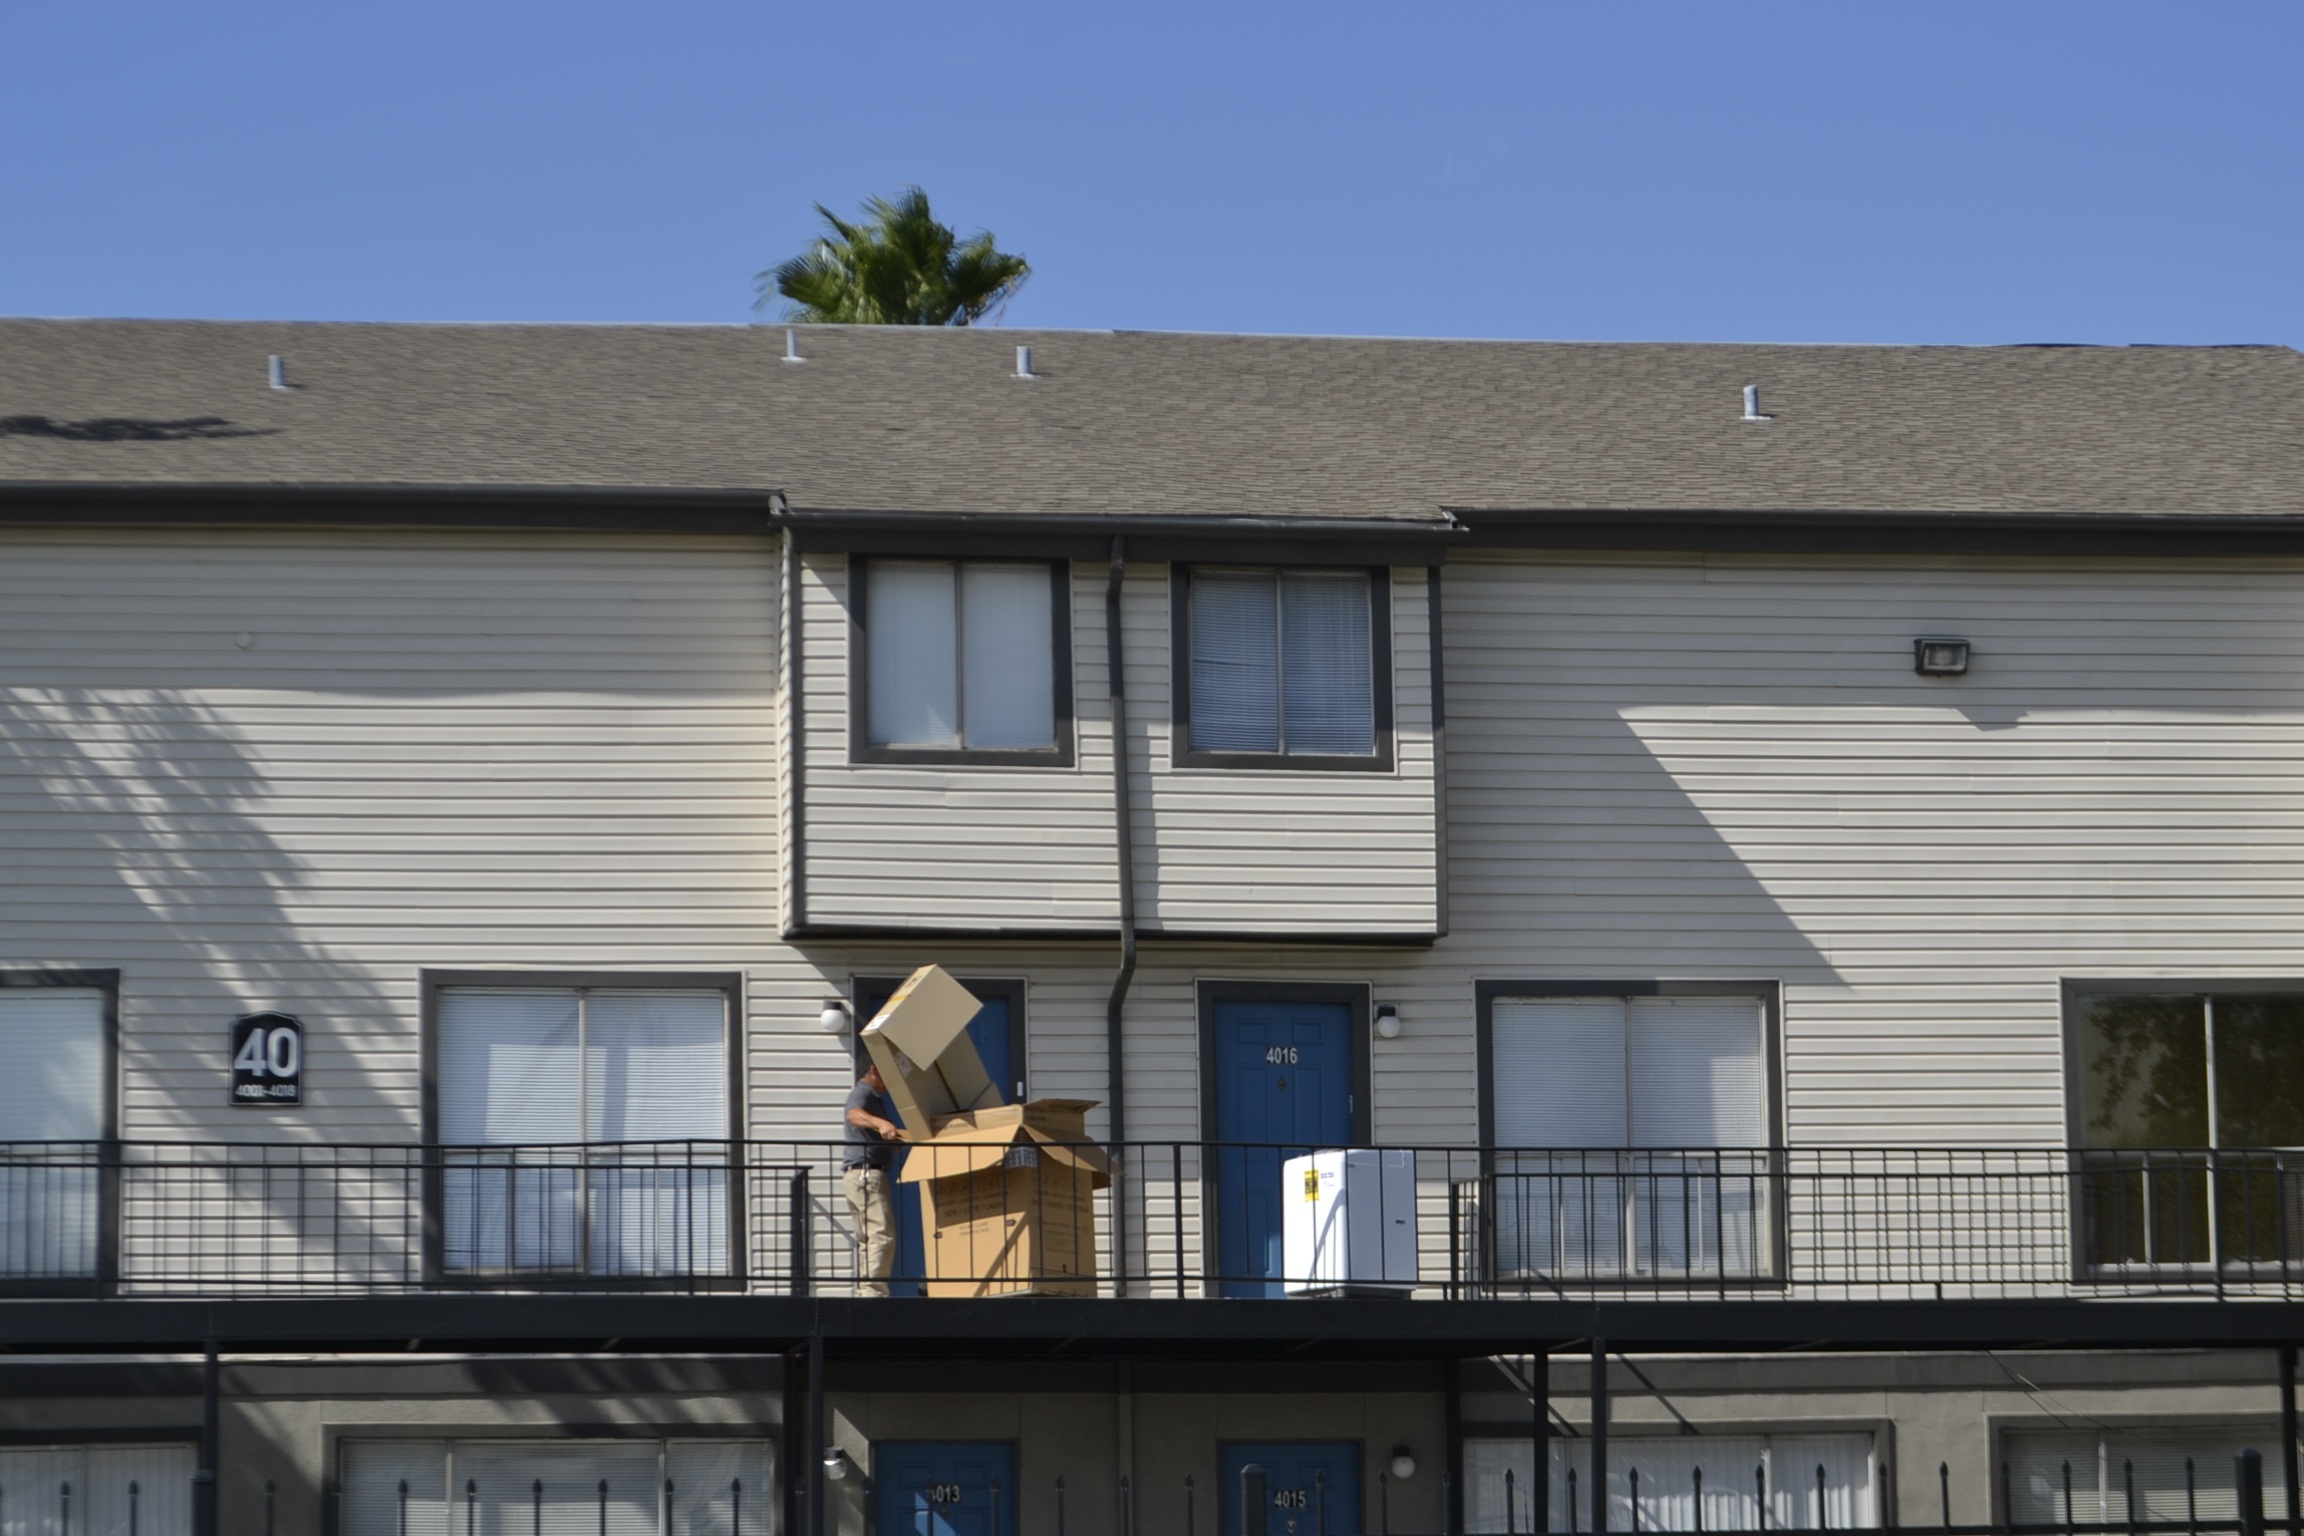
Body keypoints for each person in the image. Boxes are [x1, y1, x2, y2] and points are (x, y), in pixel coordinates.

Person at [843, 1061, 902, 1296]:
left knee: (869, 1236)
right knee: (881, 1234)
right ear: (875, 1069)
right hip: (867, 1174)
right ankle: (873, 1292)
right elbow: (854, 1115)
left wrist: (894, 1143)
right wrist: (881, 1122)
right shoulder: (863, 1093)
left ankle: (867, 1291)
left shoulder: (874, 1099)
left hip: (860, 1175)